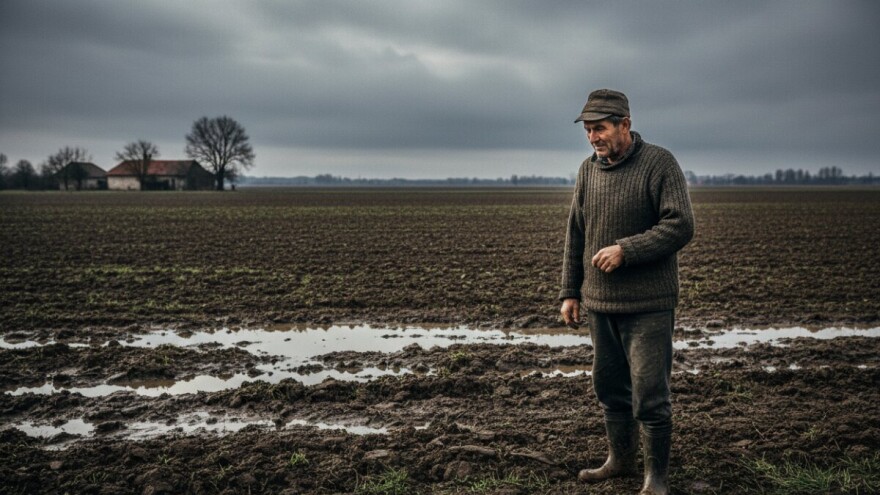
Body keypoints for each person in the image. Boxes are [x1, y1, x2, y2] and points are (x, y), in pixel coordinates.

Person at [559, 89, 695, 495]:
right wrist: (570, 291)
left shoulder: (659, 164)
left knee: (650, 394)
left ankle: (656, 479)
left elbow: (680, 225)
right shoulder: (588, 170)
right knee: (608, 387)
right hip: (601, 305)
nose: (592, 137)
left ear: (625, 125)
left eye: (599, 128)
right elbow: (576, 233)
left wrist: (627, 250)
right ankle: (620, 461)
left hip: (648, 305)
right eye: (587, 130)